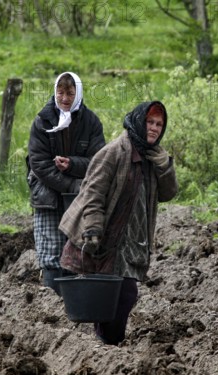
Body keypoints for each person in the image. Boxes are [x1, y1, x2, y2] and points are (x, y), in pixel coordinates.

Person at [59, 101, 178, 345]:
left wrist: (165, 167)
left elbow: (168, 194)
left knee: (122, 295)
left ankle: (107, 343)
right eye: (150, 122)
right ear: (138, 122)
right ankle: (108, 344)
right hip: (107, 236)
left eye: (159, 124)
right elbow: (93, 192)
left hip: (130, 238)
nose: (154, 129)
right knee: (118, 295)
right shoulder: (114, 152)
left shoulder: (153, 157)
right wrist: (92, 228)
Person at [27, 71, 105, 294]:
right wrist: (70, 184)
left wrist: (71, 164)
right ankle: (51, 300)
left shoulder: (91, 122)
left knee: (74, 249)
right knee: (50, 250)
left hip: (79, 197)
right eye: (60, 92)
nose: (64, 98)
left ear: (78, 93)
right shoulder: (42, 122)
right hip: (47, 195)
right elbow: (39, 164)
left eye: (70, 93)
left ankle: (71, 301)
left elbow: (98, 160)